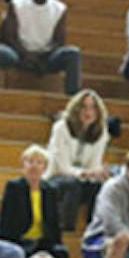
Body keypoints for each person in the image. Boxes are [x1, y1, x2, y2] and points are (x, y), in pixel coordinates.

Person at [0, 145, 68, 258]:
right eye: (30, 161)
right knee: (25, 255)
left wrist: (56, 241)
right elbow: (6, 220)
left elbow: (54, 222)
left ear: (45, 167)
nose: (34, 166)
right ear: (23, 165)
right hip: (20, 239)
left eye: (39, 162)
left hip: (43, 240)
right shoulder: (14, 187)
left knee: (61, 253)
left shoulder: (50, 190)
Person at [45, 89, 112, 228]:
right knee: (73, 185)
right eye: (84, 107)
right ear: (76, 109)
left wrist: (96, 173)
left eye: (93, 108)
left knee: (98, 186)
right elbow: (62, 166)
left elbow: (94, 164)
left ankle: (92, 229)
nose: (88, 112)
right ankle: (67, 230)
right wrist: (83, 173)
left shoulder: (101, 132)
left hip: (82, 179)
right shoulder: (61, 128)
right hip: (56, 177)